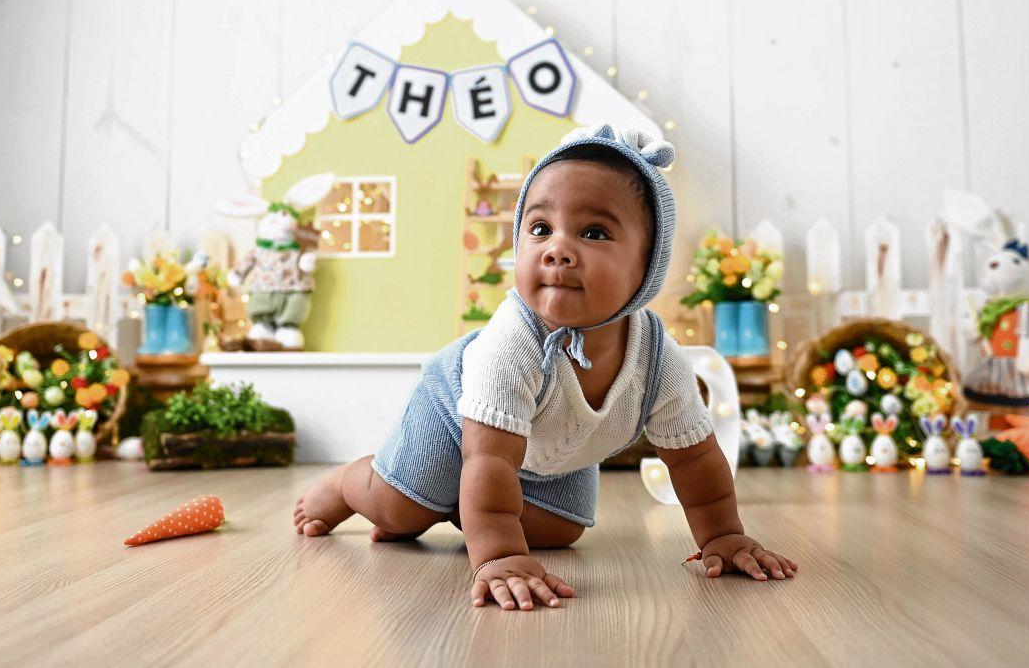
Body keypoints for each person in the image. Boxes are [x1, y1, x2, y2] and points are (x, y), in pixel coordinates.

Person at [294, 124, 798, 611]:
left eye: (594, 232)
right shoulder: (511, 343)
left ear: (646, 267)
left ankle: (460, 506)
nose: (558, 250)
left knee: (559, 532)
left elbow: (694, 459)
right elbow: (490, 458)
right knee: (399, 510)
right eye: (540, 229)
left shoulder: (657, 356)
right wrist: (499, 556)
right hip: (457, 424)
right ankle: (348, 484)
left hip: (550, 452)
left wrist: (723, 535)